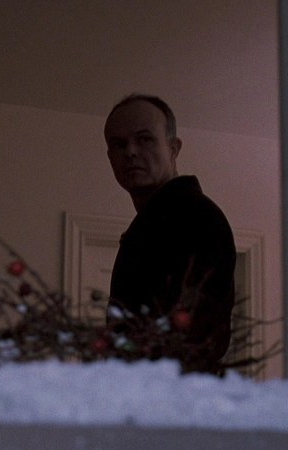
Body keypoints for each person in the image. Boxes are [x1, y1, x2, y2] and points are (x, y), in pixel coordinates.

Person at [103, 93, 236, 374]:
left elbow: (198, 336)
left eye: (144, 139)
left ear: (173, 148)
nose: (130, 152)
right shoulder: (152, 224)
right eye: (118, 144)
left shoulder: (196, 218)